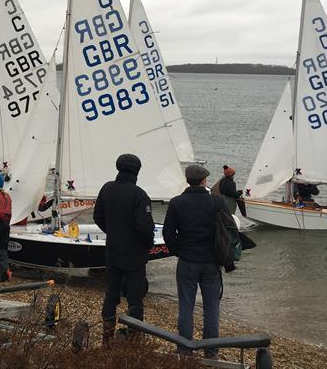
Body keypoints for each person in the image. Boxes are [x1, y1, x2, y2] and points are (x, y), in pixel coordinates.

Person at [163, 164, 229, 358]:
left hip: (187, 261)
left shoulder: (176, 203)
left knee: (185, 306)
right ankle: (211, 351)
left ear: (188, 181)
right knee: (211, 308)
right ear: (204, 181)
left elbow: (168, 233)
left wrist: (178, 250)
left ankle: (184, 350)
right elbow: (229, 230)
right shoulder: (217, 202)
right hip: (211, 262)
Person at [93, 153, 154, 345]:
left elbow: (98, 216)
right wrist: (148, 244)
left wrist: (112, 231)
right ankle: (134, 340)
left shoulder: (107, 189)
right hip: (134, 255)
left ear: (118, 168)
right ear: (137, 171)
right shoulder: (139, 195)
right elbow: (144, 228)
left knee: (111, 295)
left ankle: (106, 338)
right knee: (135, 299)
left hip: (112, 251)